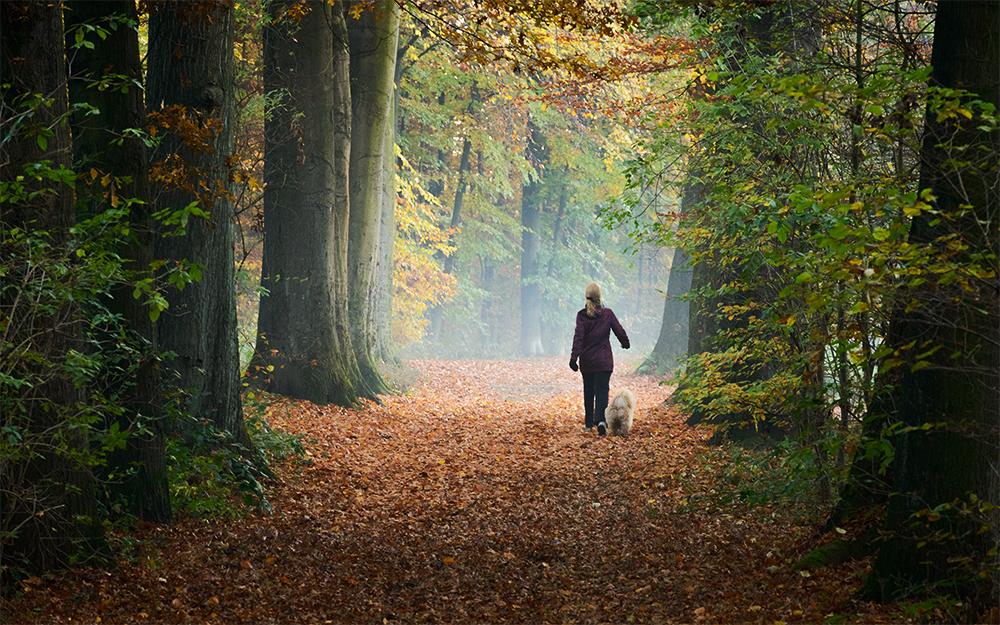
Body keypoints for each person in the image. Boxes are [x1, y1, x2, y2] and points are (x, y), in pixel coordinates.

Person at [569, 282, 629, 435]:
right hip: (604, 361)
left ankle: (589, 423)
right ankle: (601, 420)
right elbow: (619, 331)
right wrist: (625, 343)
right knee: (602, 391)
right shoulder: (608, 313)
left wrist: (573, 358)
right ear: (599, 296)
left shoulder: (582, 315)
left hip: (587, 360)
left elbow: (579, 338)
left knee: (588, 390)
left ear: (586, 295)